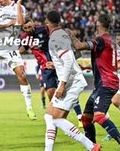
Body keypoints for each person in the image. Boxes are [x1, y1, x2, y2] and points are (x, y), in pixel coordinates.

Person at [70, 14, 120, 151]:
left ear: (98, 24)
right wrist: (88, 67)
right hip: (102, 84)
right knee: (86, 118)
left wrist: (70, 34)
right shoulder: (110, 42)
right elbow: (107, 63)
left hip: (107, 83)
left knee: (99, 116)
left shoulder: (100, 40)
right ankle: (93, 147)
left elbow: (80, 46)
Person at [43, 11, 100, 151]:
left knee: (57, 119)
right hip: (69, 81)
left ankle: (91, 146)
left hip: (71, 82)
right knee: (49, 116)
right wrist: (55, 64)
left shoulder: (55, 37)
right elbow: (73, 55)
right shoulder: (61, 34)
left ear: (47, 22)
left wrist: (61, 85)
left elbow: (68, 60)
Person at [19, 17, 83, 126]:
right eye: (25, 28)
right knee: (50, 93)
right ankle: (57, 116)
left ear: (33, 23)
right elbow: (24, 48)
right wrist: (14, 54)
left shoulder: (44, 29)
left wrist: (71, 34)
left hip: (57, 63)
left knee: (67, 90)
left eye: (30, 26)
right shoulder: (24, 37)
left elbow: (58, 32)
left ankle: (80, 117)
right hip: (45, 68)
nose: (28, 29)